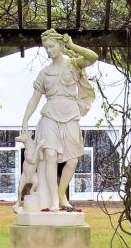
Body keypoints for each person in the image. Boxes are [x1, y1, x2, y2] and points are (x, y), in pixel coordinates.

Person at [21, 29, 98, 212]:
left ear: (60, 45)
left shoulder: (73, 65)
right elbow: (34, 99)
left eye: (51, 46)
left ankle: (61, 193)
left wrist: (72, 46)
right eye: (46, 48)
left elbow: (93, 56)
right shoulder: (44, 73)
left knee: (72, 160)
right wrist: (25, 120)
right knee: (50, 156)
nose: (48, 51)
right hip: (49, 116)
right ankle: (54, 200)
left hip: (70, 115)